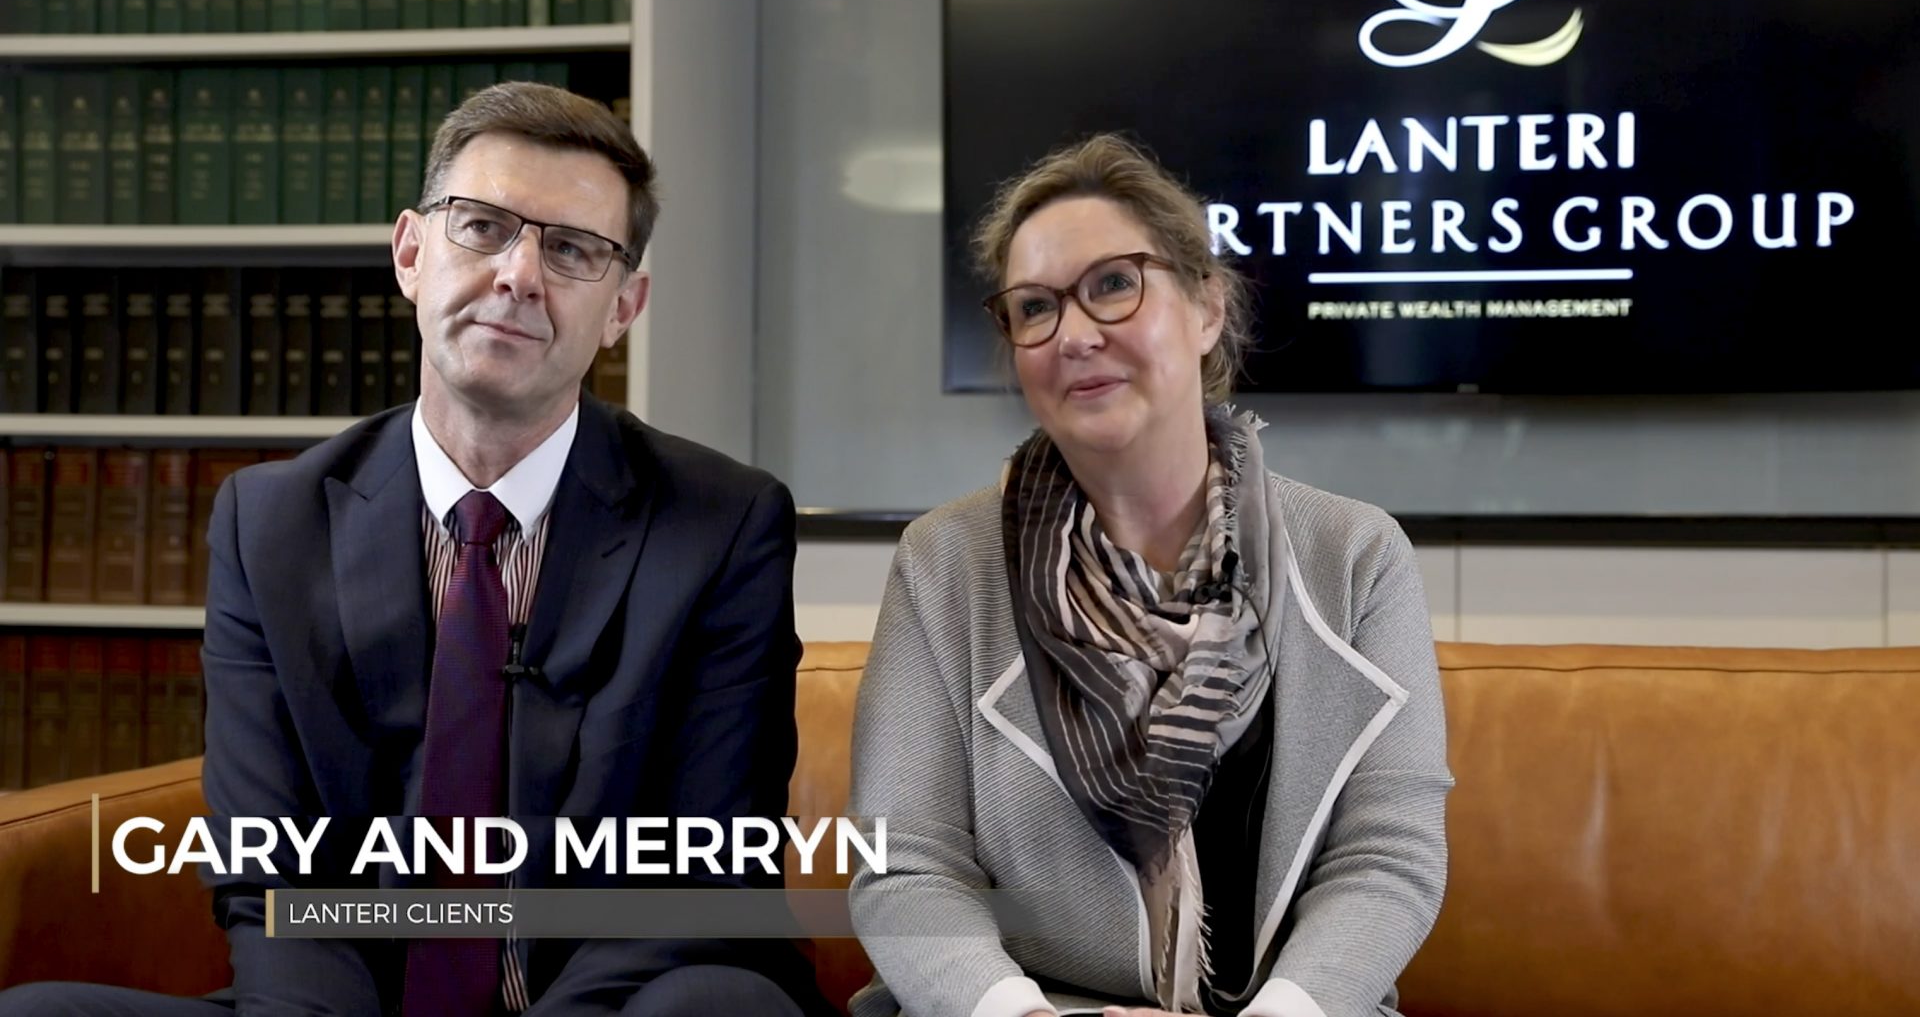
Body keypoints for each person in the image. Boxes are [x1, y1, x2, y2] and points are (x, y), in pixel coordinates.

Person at [0, 83, 819, 1015]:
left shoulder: (722, 525)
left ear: (623, 307)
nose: (518, 274)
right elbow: (271, 871)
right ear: (410, 254)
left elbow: (703, 874)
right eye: (483, 228)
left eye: (571, 250)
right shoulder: (271, 524)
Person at [845, 133, 1453, 1017]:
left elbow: (1387, 857)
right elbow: (906, 864)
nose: (1075, 335)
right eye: (1035, 307)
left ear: (1206, 307)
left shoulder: (1356, 555)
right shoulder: (943, 564)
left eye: (1113, 285)